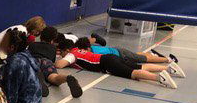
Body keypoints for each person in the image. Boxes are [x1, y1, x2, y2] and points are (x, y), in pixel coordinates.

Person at [55, 37, 184, 88]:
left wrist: (61, 60)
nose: (60, 55)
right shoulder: (79, 49)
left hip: (106, 63)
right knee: (140, 65)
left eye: (61, 52)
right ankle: (168, 69)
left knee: (133, 73)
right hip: (109, 57)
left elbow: (59, 65)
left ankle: (159, 78)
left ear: (67, 50)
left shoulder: (72, 54)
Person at [0, 30, 43, 103]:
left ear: (11, 47)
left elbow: (11, 90)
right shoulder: (26, 53)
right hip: (36, 102)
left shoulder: (14, 62)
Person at [28, 27, 83, 98]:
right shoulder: (53, 48)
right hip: (46, 62)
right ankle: (67, 78)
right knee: (53, 77)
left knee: (33, 72)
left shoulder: (32, 45)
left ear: (41, 36)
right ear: (52, 40)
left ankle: (38, 80)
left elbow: (28, 56)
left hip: (34, 61)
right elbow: (52, 61)